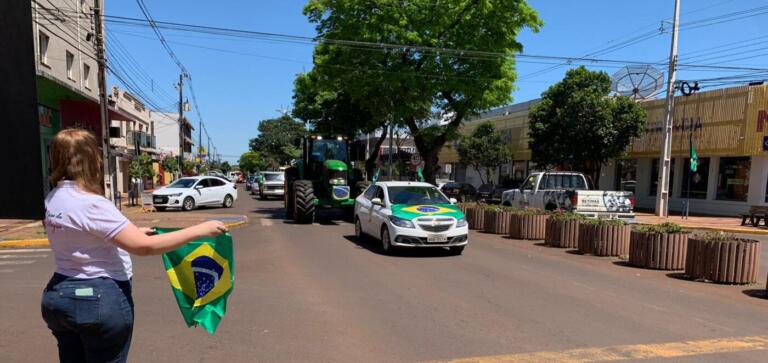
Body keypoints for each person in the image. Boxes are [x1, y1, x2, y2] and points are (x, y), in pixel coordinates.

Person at [41, 129, 228, 363]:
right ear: (90, 160)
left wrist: (130, 233)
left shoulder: (53, 198)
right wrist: (200, 230)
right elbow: (144, 248)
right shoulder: (91, 203)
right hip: (97, 298)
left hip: (58, 296)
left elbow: (80, 234)